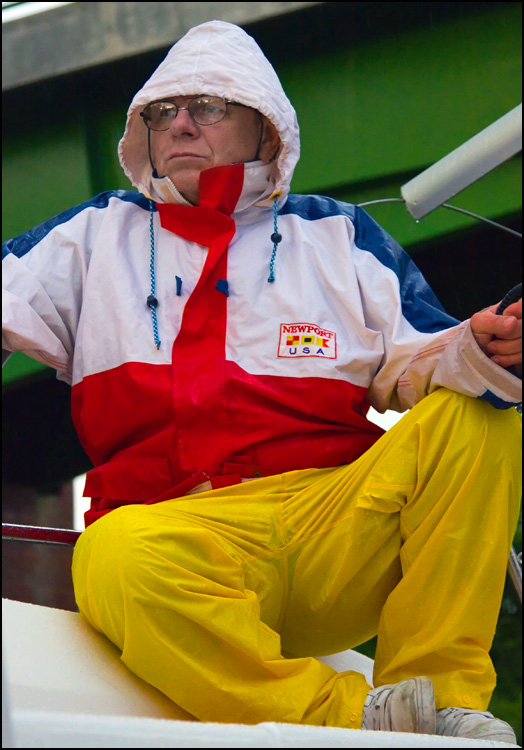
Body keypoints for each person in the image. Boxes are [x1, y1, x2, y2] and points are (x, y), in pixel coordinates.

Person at [2, 19, 522, 742]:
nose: (181, 124)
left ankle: (443, 695)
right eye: (162, 111)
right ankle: (363, 717)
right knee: (112, 554)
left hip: (333, 530)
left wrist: (484, 348)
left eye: (208, 106)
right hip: (176, 544)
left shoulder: (340, 235)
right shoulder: (89, 237)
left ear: (266, 129)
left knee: (481, 410)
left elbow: (428, 360)